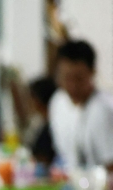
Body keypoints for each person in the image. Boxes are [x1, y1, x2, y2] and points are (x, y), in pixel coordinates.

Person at [49, 40, 113, 170]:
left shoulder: (104, 109)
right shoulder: (58, 103)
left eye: (78, 79)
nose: (72, 86)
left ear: (93, 72)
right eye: (66, 78)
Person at [26, 77, 57, 165]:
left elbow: (43, 159)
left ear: (38, 100)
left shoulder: (51, 128)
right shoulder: (40, 122)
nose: (29, 102)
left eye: (31, 98)